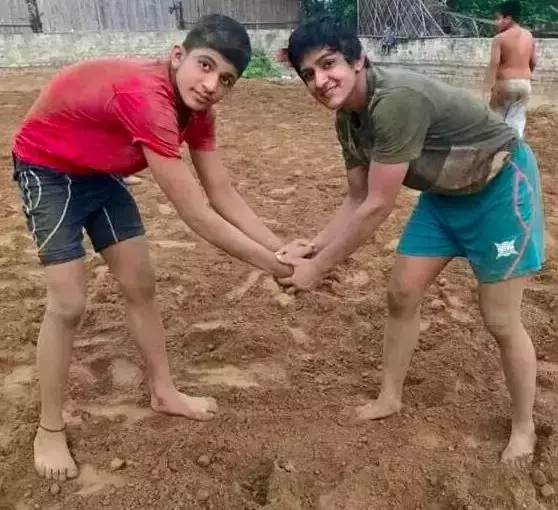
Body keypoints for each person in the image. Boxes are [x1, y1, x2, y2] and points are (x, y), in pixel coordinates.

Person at [12, 14, 311, 481]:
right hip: (47, 169)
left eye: (226, 79)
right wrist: (278, 267)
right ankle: (49, 429)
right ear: (177, 56)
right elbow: (196, 214)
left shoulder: (199, 113)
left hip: (99, 173)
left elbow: (221, 192)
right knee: (68, 303)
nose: (212, 85)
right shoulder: (147, 98)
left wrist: (280, 248)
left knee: (141, 283)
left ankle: (164, 391)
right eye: (205, 65)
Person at [276, 15, 544, 464]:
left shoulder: (395, 100)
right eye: (308, 74)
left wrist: (317, 270)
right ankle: (390, 397)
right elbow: (356, 197)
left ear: (357, 60)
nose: (320, 81)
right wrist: (313, 246)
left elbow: (379, 205)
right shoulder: (348, 120)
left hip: (499, 190)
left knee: (500, 320)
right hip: (444, 195)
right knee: (401, 293)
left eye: (328, 64)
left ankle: (524, 426)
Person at [485, 1, 536, 138]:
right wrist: (524, 77)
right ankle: (514, 148)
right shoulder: (529, 36)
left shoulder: (500, 38)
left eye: (497, 18)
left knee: (496, 120)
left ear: (508, 18)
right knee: (517, 121)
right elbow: (534, 62)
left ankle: (497, 148)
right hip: (525, 85)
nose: (495, 23)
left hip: (505, 84)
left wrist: (489, 87)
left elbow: (494, 64)